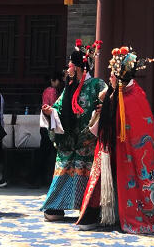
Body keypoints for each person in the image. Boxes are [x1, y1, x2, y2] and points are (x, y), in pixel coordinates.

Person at [76, 46, 154, 233]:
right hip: (110, 147)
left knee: (128, 179)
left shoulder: (135, 96)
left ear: (120, 75)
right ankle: (101, 214)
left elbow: (141, 127)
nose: (110, 77)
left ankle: (127, 216)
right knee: (103, 178)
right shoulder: (112, 93)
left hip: (129, 152)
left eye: (113, 74)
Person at [40, 39, 106, 222]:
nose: (67, 69)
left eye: (69, 65)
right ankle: (56, 207)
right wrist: (50, 112)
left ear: (77, 67)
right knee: (63, 173)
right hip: (68, 142)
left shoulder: (97, 85)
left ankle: (89, 208)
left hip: (88, 141)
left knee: (87, 175)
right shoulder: (69, 87)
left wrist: (104, 107)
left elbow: (108, 100)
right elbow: (59, 107)